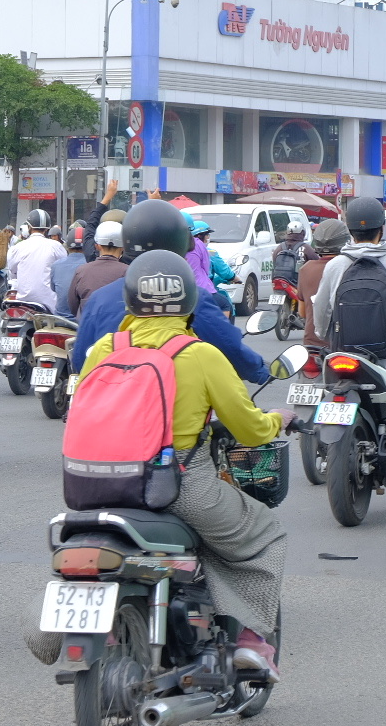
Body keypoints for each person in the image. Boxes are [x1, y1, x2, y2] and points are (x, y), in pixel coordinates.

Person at [79, 250, 290, 679]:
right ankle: (248, 642)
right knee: (264, 535)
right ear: (191, 300)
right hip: (179, 486)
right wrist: (277, 421)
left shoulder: (104, 348)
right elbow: (249, 430)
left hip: (92, 485)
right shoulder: (200, 355)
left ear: (129, 300)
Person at [71, 199, 270, 383]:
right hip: (174, 412)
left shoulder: (100, 299)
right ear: (179, 245)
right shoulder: (192, 298)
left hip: (112, 413)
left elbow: (81, 362)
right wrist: (261, 372)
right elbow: (230, 349)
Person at [310, 196, 386, 468]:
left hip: (343, 354)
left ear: (350, 231)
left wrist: (322, 333)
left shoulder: (335, 265)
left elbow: (321, 309)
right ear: (381, 229)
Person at [297, 217, 349, 348]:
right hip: (344, 346)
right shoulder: (351, 267)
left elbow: (302, 313)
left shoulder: (306, 269)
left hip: (312, 345)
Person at [64, 219, 126, 315]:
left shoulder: (81, 271)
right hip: (118, 328)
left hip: (88, 327)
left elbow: (73, 306)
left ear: (97, 246)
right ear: (123, 247)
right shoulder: (129, 272)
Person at [7, 208, 65, 306]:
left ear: (28, 227)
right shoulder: (56, 246)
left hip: (23, 300)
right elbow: (62, 270)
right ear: (47, 229)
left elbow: (12, 271)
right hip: (50, 301)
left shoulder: (16, 248)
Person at [51, 225, 87, 315]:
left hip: (60, 319)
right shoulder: (92, 265)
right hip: (81, 321)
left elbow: (54, 289)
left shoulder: (56, 265)